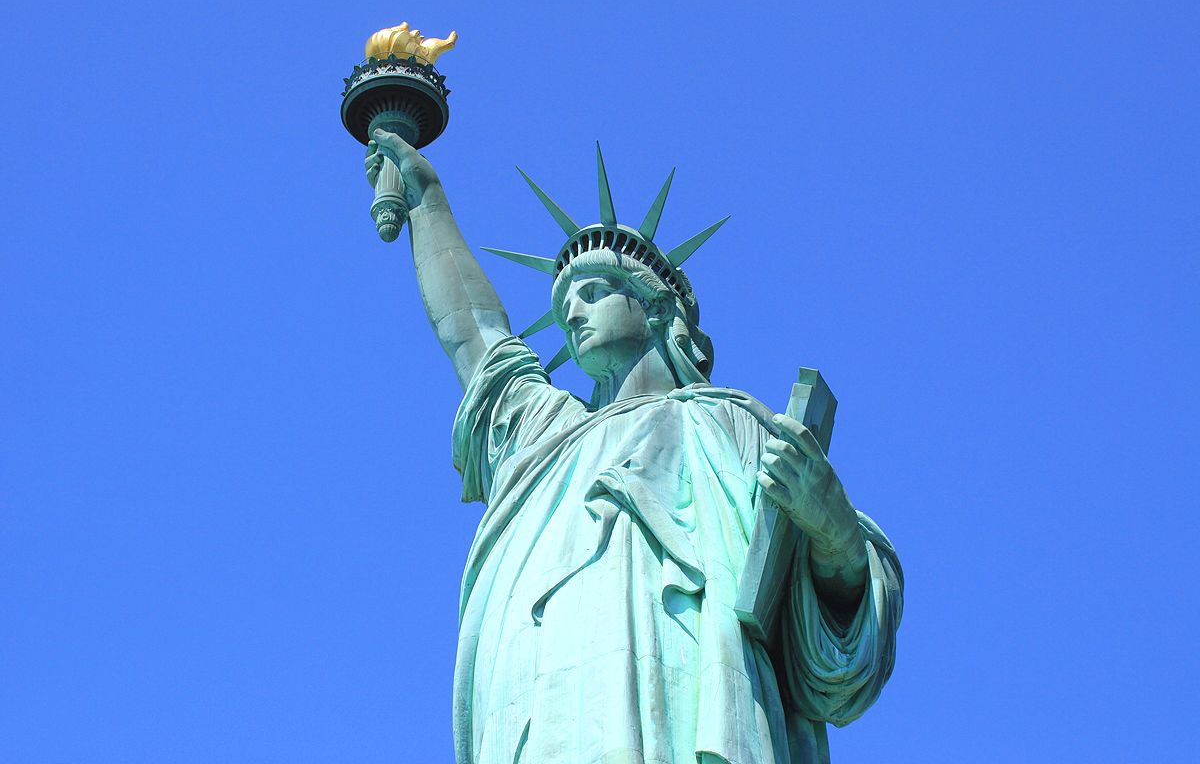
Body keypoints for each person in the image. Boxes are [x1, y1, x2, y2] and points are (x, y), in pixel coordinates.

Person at [366, 130, 903, 764]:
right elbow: (475, 338)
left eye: (593, 292)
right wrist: (427, 199)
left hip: (687, 708)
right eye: (566, 303)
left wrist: (832, 530)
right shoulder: (545, 434)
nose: (574, 313)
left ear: (656, 307)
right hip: (546, 719)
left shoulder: (730, 426)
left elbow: (840, 657)